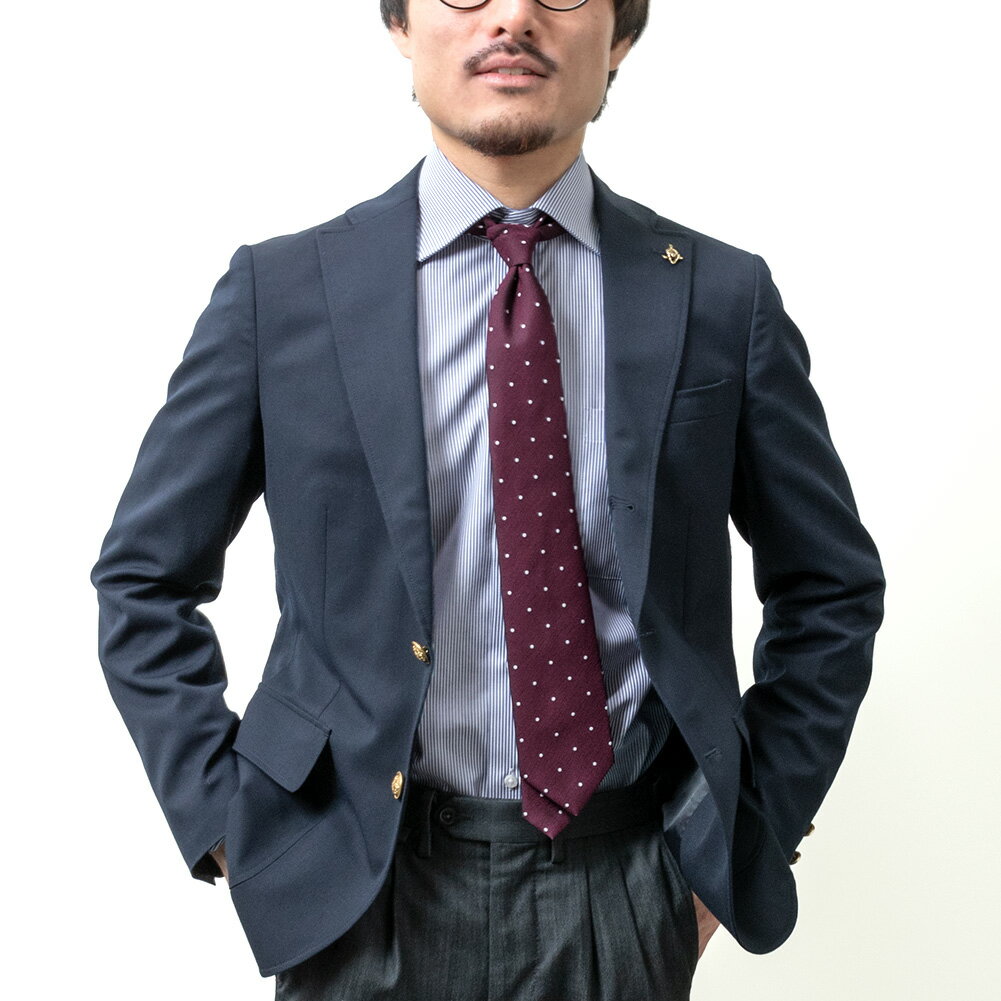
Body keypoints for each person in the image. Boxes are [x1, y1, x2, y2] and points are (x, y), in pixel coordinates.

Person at [92, 1, 885, 998]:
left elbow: (829, 588)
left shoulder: (719, 297)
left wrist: (734, 850)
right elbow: (143, 578)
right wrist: (231, 827)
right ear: (400, 24)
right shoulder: (281, 292)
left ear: (620, 36)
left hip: (622, 887)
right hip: (360, 893)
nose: (511, 16)